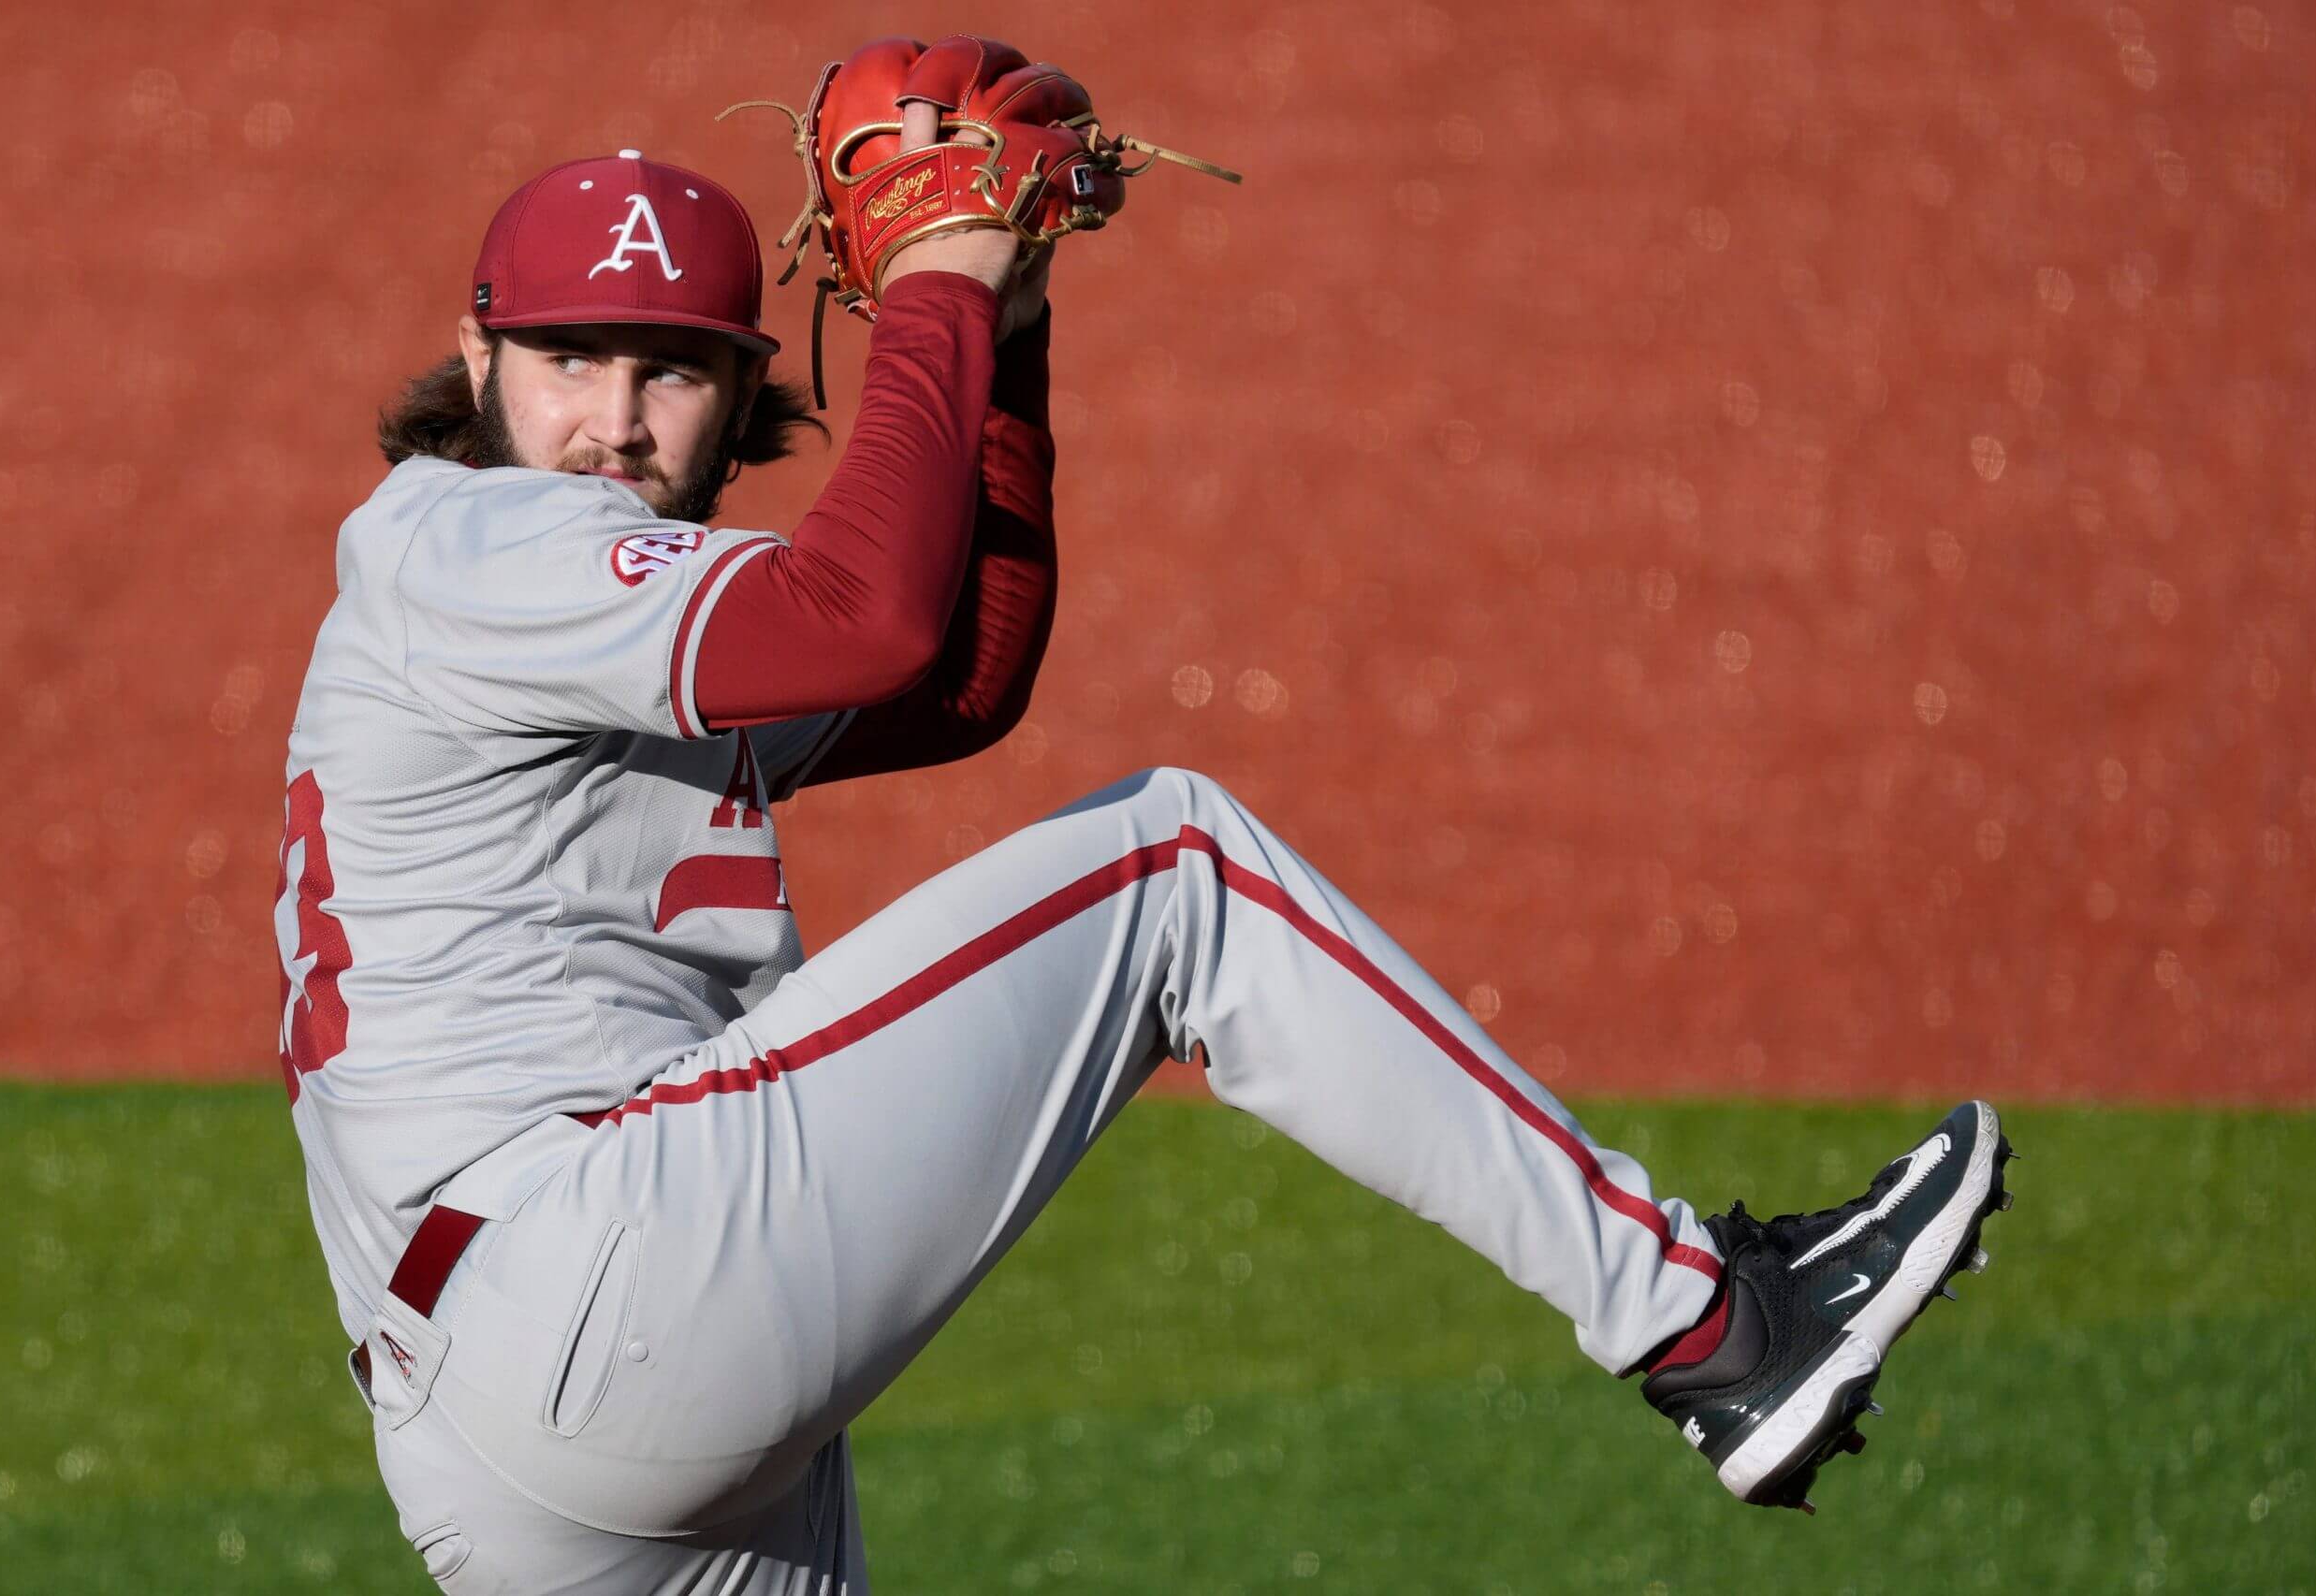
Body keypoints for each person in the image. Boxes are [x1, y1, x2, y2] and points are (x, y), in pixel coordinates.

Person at [276, 141, 2011, 1595]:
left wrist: (1001, 334)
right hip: (588, 1274)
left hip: (526, 1428)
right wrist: (940, 279)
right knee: (1179, 865)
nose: (611, 422)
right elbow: (864, 609)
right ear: (476, 357)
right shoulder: (471, 535)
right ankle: (1716, 1326)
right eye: (570, 359)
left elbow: (951, 675)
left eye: (671, 369)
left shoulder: (567, 618)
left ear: (742, 394)